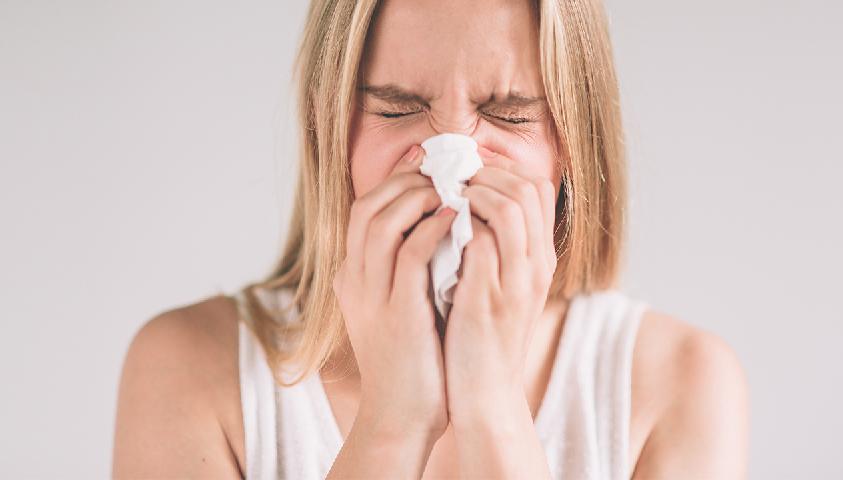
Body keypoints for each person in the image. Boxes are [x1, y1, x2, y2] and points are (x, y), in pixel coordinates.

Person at [112, 0, 750, 478]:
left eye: (510, 115)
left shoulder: (680, 384)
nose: (452, 160)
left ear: (571, 146)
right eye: (394, 108)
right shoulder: (190, 369)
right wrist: (395, 421)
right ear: (330, 129)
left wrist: (493, 409)